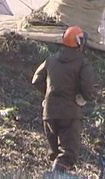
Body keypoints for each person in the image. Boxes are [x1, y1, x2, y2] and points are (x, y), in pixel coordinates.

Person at [32, 26, 95, 174]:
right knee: (67, 155)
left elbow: (36, 80)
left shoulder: (50, 60)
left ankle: (56, 174)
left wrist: (48, 94)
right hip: (69, 114)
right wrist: (83, 98)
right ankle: (55, 176)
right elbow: (87, 85)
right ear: (80, 43)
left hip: (49, 114)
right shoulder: (82, 63)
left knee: (56, 154)